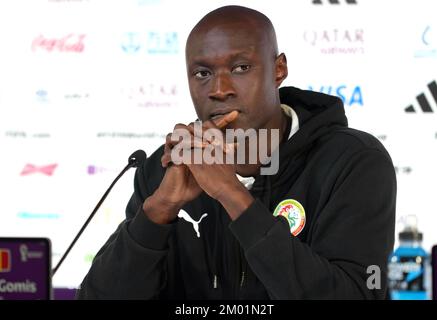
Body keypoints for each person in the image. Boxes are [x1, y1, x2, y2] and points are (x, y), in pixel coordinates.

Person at [77, 5, 396, 299]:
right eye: (202, 73)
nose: (219, 90)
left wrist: (231, 195)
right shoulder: (164, 170)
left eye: (241, 67)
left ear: (279, 69)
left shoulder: (353, 161)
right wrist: (158, 210)